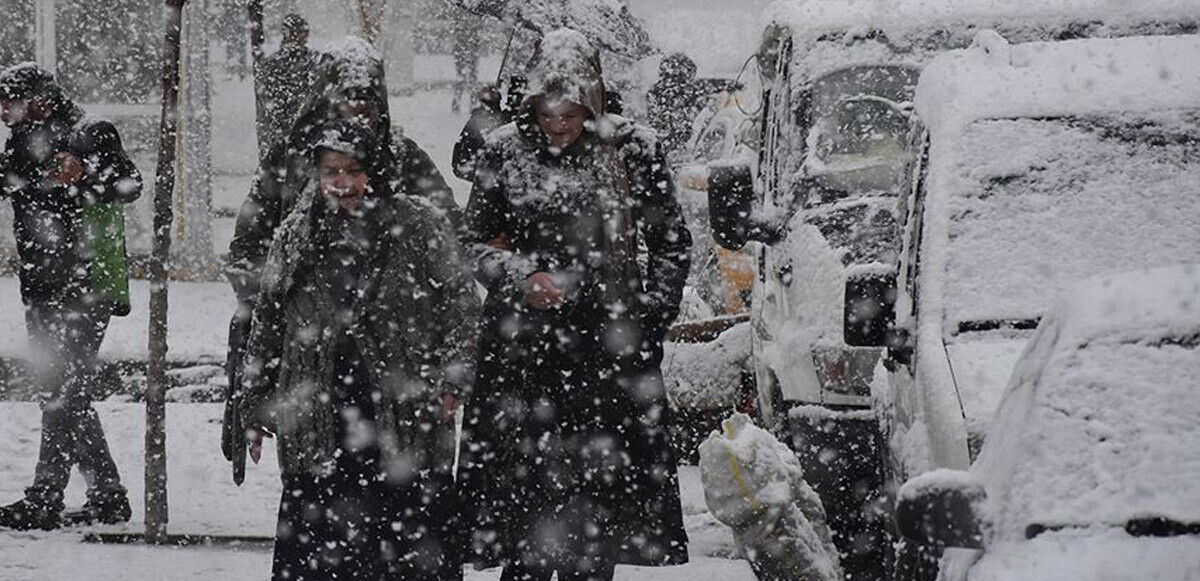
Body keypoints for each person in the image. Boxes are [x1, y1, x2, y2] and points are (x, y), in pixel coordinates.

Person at [459, 28, 693, 581]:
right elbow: (470, 241)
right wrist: (521, 275)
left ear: (593, 101)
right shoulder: (505, 151)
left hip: (608, 357)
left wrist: (648, 319)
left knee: (598, 516)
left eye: (570, 113)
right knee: (525, 510)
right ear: (531, 102)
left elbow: (671, 243)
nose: (558, 125)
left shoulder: (632, 148)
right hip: (522, 355)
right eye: (548, 113)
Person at [238, 119, 478, 581]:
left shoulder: (419, 224)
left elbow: (462, 305)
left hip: (405, 411)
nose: (343, 183)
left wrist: (453, 377)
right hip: (318, 417)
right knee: (323, 551)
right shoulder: (294, 235)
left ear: (376, 170)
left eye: (353, 170)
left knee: (408, 547)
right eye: (331, 171)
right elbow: (267, 321)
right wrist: (253, 403)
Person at [222, 37, 460, 474]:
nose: (358, 119)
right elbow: (248, 248)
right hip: (312, 359)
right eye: (347, 107)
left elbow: (452, 243)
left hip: (394, 357)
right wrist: (287, 294)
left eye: (367, 108)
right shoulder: (292, 159)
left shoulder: (404, 159)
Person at [0, 63, 142, 530]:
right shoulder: (22, 141)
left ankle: (46, 496)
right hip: (40, 287)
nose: (3, 112)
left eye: (10, 102)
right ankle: (107, 496)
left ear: (40, 99)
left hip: (87, 287)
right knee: (61, 392)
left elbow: (130, 186)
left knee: (64, 392)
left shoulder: (90, 132)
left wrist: (83, 175)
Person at [256, 13, 320, 153]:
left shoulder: (315, 60)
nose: (303, 37)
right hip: (286, 131)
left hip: (307, 131)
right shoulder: (273, 64)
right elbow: (268, 102)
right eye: (298, 32)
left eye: (305, 32)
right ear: (287, 33)